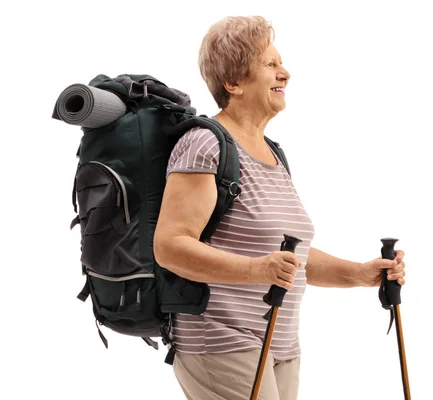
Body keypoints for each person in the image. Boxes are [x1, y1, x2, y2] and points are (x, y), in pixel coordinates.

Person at [153, 15, 406, 400]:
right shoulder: (205, 144)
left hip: (280, 344)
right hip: (223, 340)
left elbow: (291, 255)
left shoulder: (273, 154)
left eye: (281, 63)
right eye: (269, 65)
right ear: (233, 82)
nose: (284, 73)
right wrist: (258, 269)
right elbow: (170, 245)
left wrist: (362, 273)